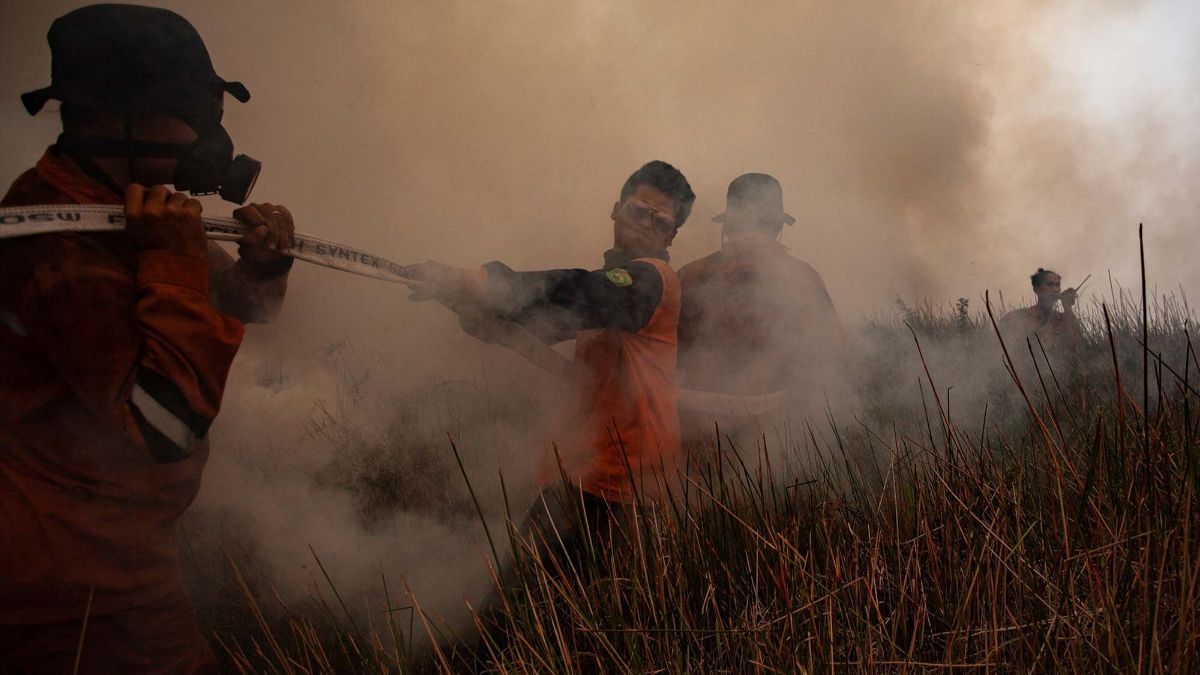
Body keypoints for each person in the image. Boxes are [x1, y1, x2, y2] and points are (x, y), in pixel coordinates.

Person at [0, 5, 296, 672]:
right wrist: (173, 259)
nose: (210, 133)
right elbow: (165, 421)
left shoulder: (128, 201)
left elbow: (222, 307)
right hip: (71, 589)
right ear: (109, 117)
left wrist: (263, 265)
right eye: (191, 108)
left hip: (114, 556)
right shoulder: (61, 251)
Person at [403, 160, 695, 571]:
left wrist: (485, 283)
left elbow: (582, 291)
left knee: (554, 614)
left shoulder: (652, 280)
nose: (647, 224)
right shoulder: (611, 282)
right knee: (524, 608)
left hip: (625, 489)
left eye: (660, 220)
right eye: (637, 211)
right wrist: (473, 306)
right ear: (615, 209)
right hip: (581, 471)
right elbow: (537, 327)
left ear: (672, 234)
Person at [677, 173, 842, 403]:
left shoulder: (689, 275)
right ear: (777, 226)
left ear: (728, 227)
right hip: (778, 424)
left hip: (701, 421)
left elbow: (668, 357)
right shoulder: (803, 278)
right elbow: (829, 354)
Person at [997, 267, 1083, 348]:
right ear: (1036, 289)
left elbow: (1078, 347)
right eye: (1049, 284)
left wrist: (1067, 308)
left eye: (1057, 285)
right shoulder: (1017, 317)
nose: (1055, 289)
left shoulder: (1063, 319)